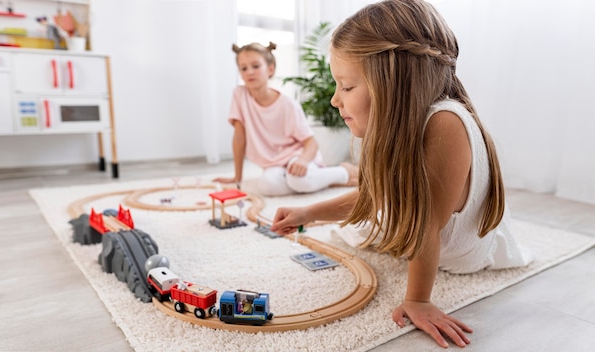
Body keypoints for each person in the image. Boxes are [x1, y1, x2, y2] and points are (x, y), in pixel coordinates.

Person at [270, 0, 532, 348]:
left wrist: (419, 300)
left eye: (346, 87)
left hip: (463, 253)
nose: (335, 100)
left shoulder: (445, 123)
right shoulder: (403, 125)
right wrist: (308, 213)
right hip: (422, 227)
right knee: (365, 225)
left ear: (395, 82)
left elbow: (425, 224)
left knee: (376, 229)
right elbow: (379, 196)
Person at [213, 42, 358, 196]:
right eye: (244, 68)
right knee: (267, 186)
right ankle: (317, 180)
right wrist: (237, 176)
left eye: (255, 66)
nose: (249, 72)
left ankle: (344, 172)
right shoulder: (240, 95)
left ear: (270, 69)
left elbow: (311, 143)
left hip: (298, 155)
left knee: (298, 180)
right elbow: (239, 138)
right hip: (274, 163)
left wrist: (302, 160)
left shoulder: (287, 104)